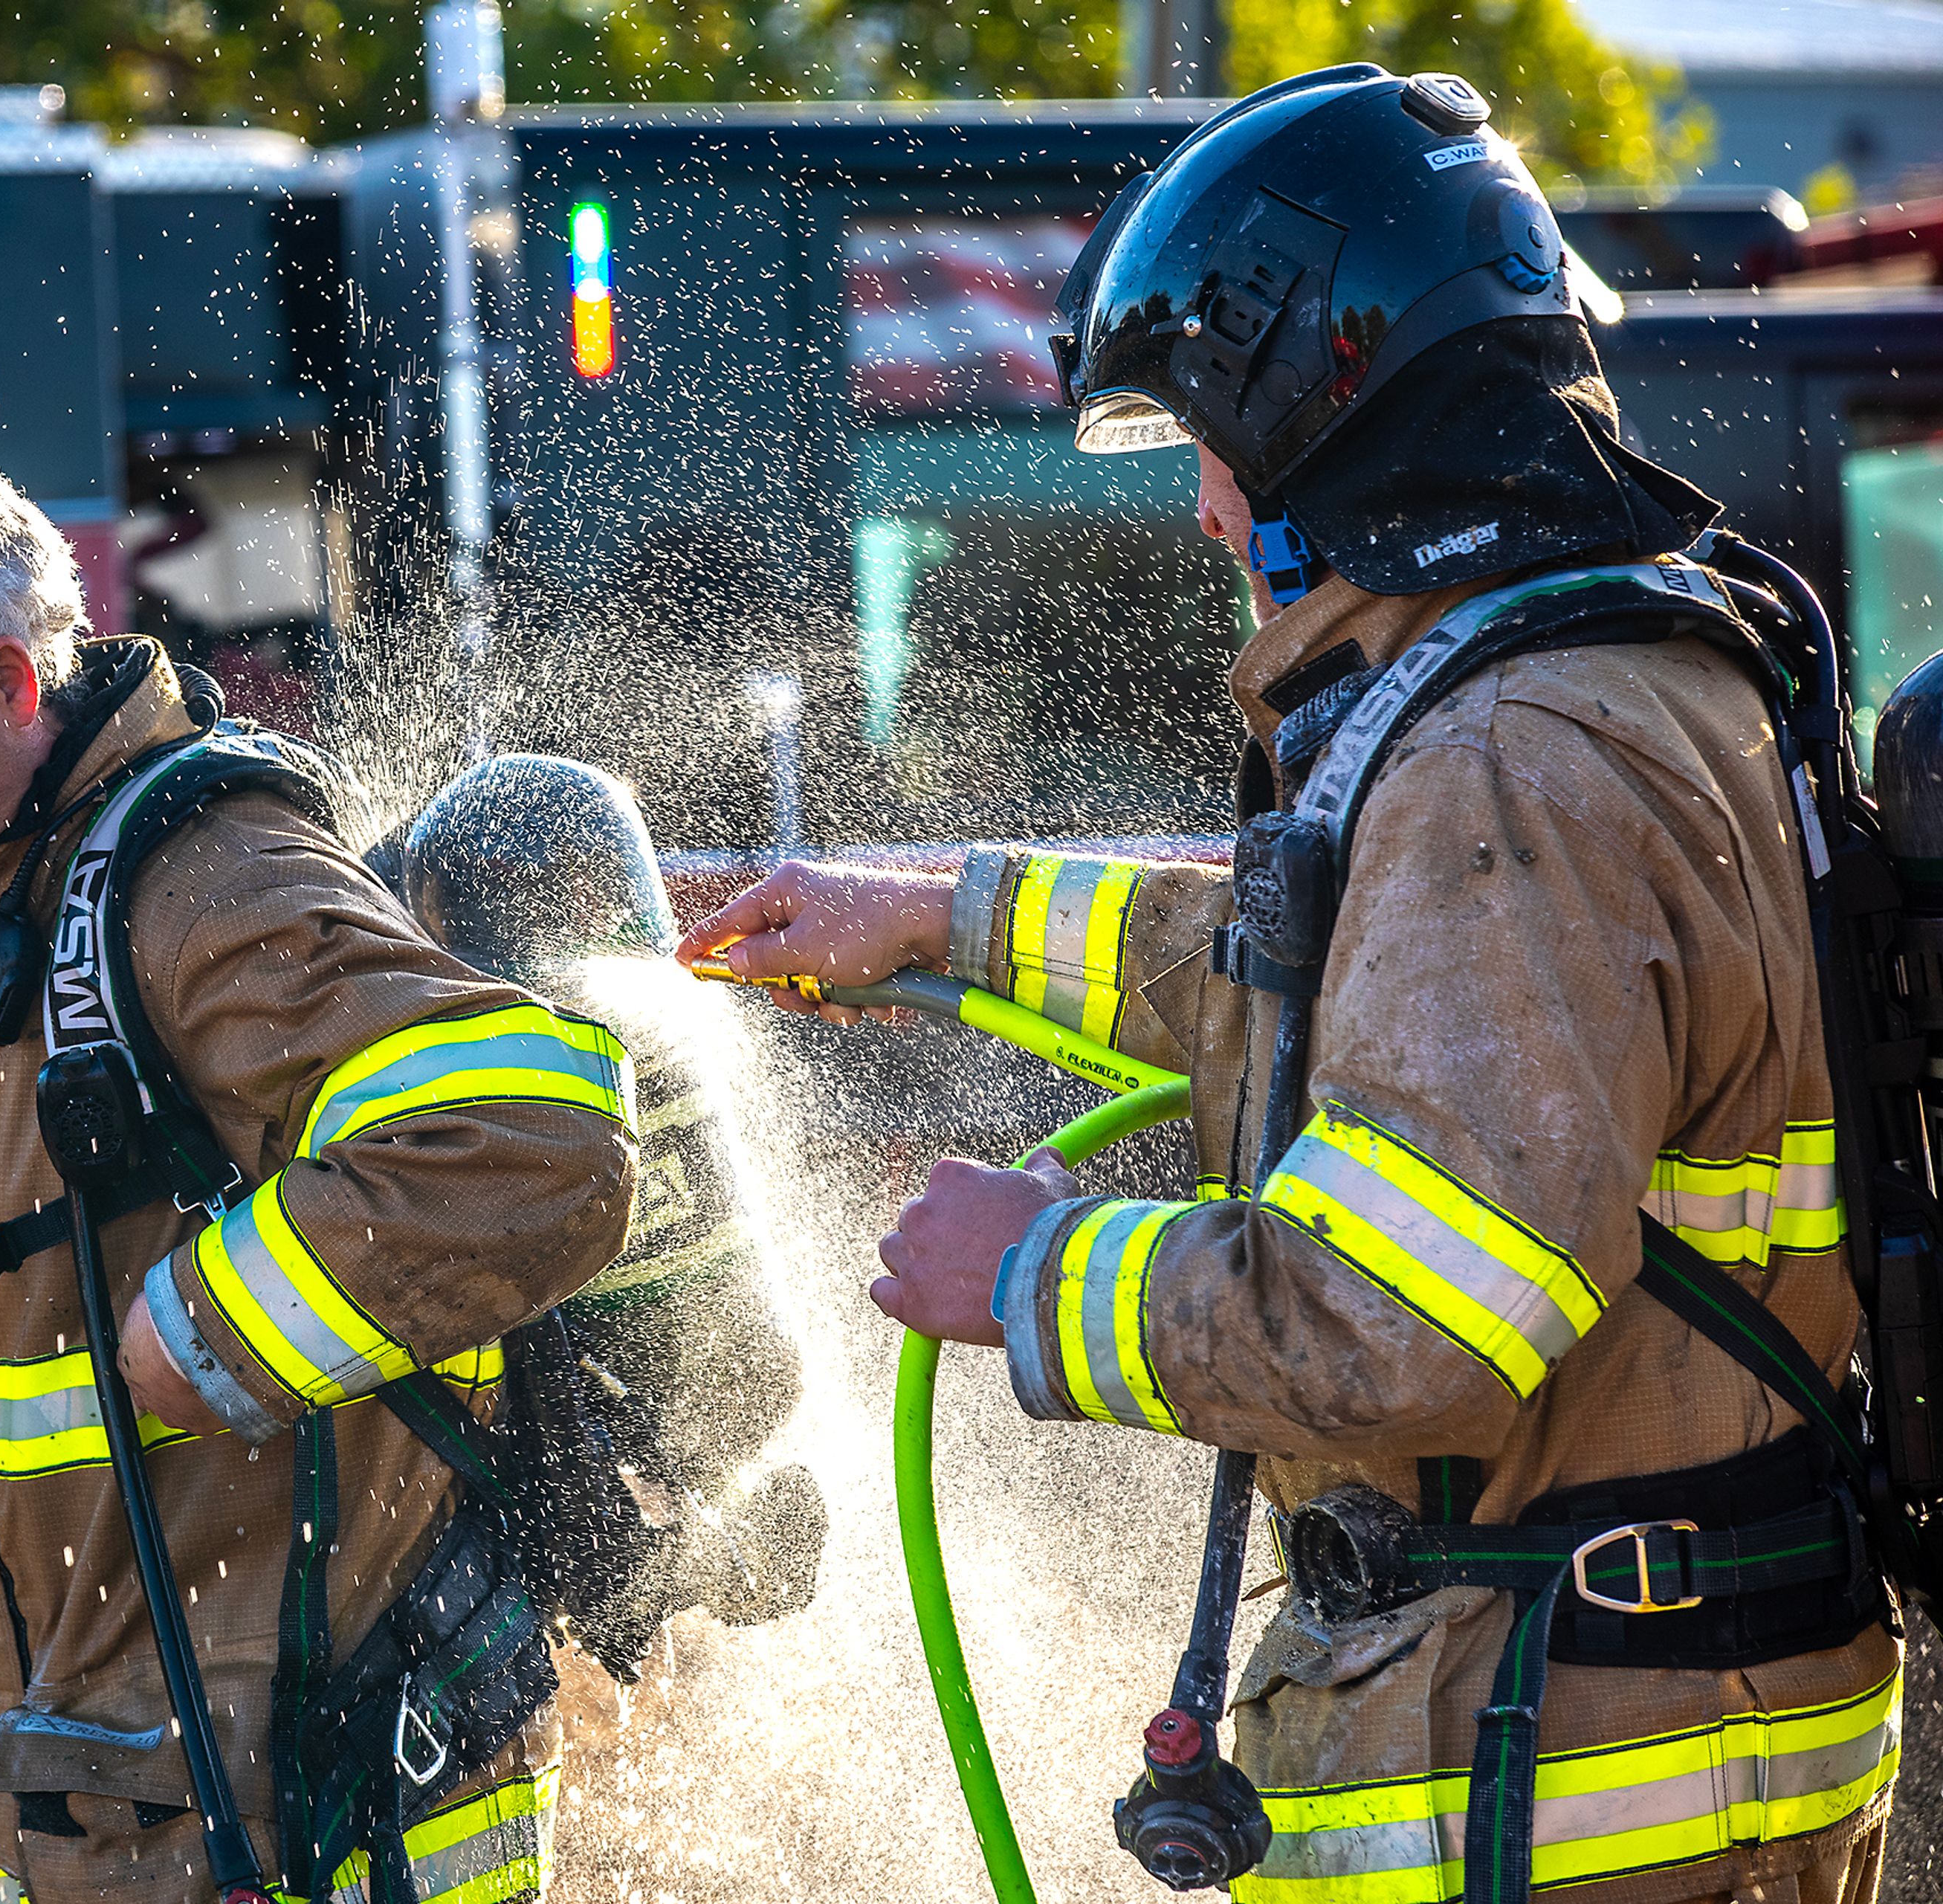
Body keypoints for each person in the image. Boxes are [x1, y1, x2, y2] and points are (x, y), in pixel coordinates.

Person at [682, 66, 1898, 1904]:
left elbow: (1401, 1321)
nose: (1195, 512)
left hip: (1561, 1784)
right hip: (1631, 1731)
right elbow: (1323, 970)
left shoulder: (1512, 763)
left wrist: (1032, 1269)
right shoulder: (1613, 682)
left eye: (1204, 447)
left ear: (1321, 424)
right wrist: (939, 915)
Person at [0, 436, 638, 1901]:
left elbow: (537, 1144)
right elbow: (36, 1255)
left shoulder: (202, 882)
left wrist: (215, 1326)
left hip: (310, 1815)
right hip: (125, 1793)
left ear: (13, 685)